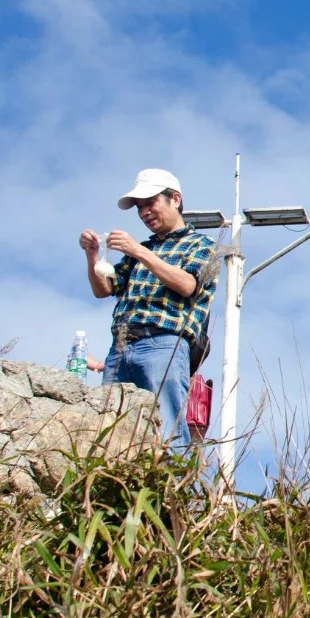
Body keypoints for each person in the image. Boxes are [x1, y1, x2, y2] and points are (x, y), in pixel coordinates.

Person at [79, 168, 217, 446]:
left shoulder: (201, 244)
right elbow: (103, 289)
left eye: (150, 202)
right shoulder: (141, 248)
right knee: (113, 434)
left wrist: (139, 252)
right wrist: (92, 255)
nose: (144, 213)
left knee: (167, 432)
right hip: (120, 348)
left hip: (163, 344)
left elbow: (188, 285)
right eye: (140, 207)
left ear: (174, 199)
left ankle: (173, 489)